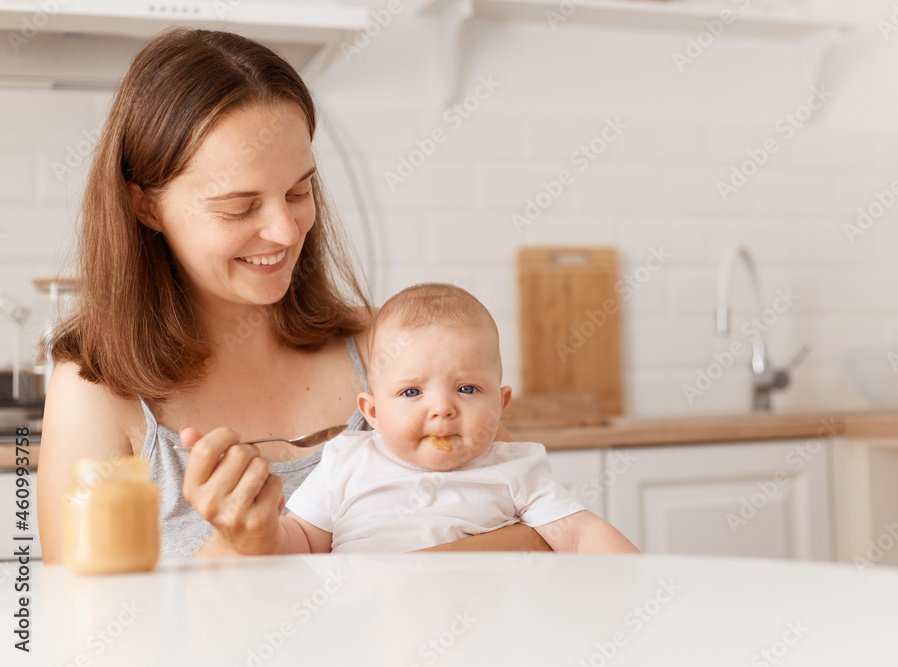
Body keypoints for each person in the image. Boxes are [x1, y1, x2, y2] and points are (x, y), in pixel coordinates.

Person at [37, 28, 551, 562]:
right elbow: (87, 634)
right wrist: (238, 551)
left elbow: (540, 533)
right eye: (240, 206)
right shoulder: (95, 392)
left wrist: (363, 583)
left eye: (298, 191)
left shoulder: (388, 347)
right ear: (145, 207)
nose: (286, 231)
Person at [189, 283, 640, 555]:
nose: (442, 408)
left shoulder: (515, 467)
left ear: (501, 404)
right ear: (372, 413)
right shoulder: (347, 460)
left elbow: (580, 537)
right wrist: (261, 530)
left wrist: (645, 587)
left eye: (467, 389)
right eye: (411, 392)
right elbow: (305, 541)